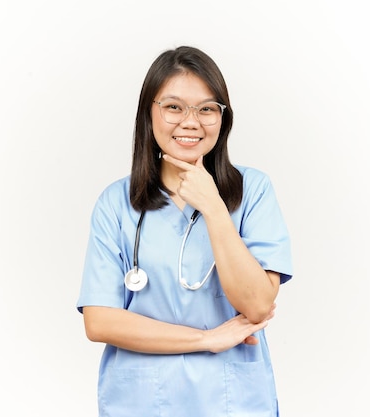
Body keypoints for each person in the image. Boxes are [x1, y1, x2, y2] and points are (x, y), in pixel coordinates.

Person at [76, 45, 293, 416]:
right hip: (141, 402)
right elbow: (100, 321)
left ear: (223, 119)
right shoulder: (116, 203)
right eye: (174, 106)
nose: (190, 121)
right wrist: (206, 339)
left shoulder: (252, 191)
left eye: (207, 108)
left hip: (232, 401)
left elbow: (257, 304)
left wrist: (213, 206)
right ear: (150, 113)